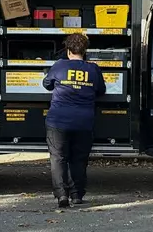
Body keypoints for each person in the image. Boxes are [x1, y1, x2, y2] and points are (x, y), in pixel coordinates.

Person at [43, 33, 106, 208]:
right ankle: (77, 195)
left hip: (58, 121)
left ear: (68, 50)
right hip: (83, 122)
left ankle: (61, 195)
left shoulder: (59, 66)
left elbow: (46, 84)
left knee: (58, 158)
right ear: (84, 51)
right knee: (79, 159)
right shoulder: (93, 69)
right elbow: (101, 90)